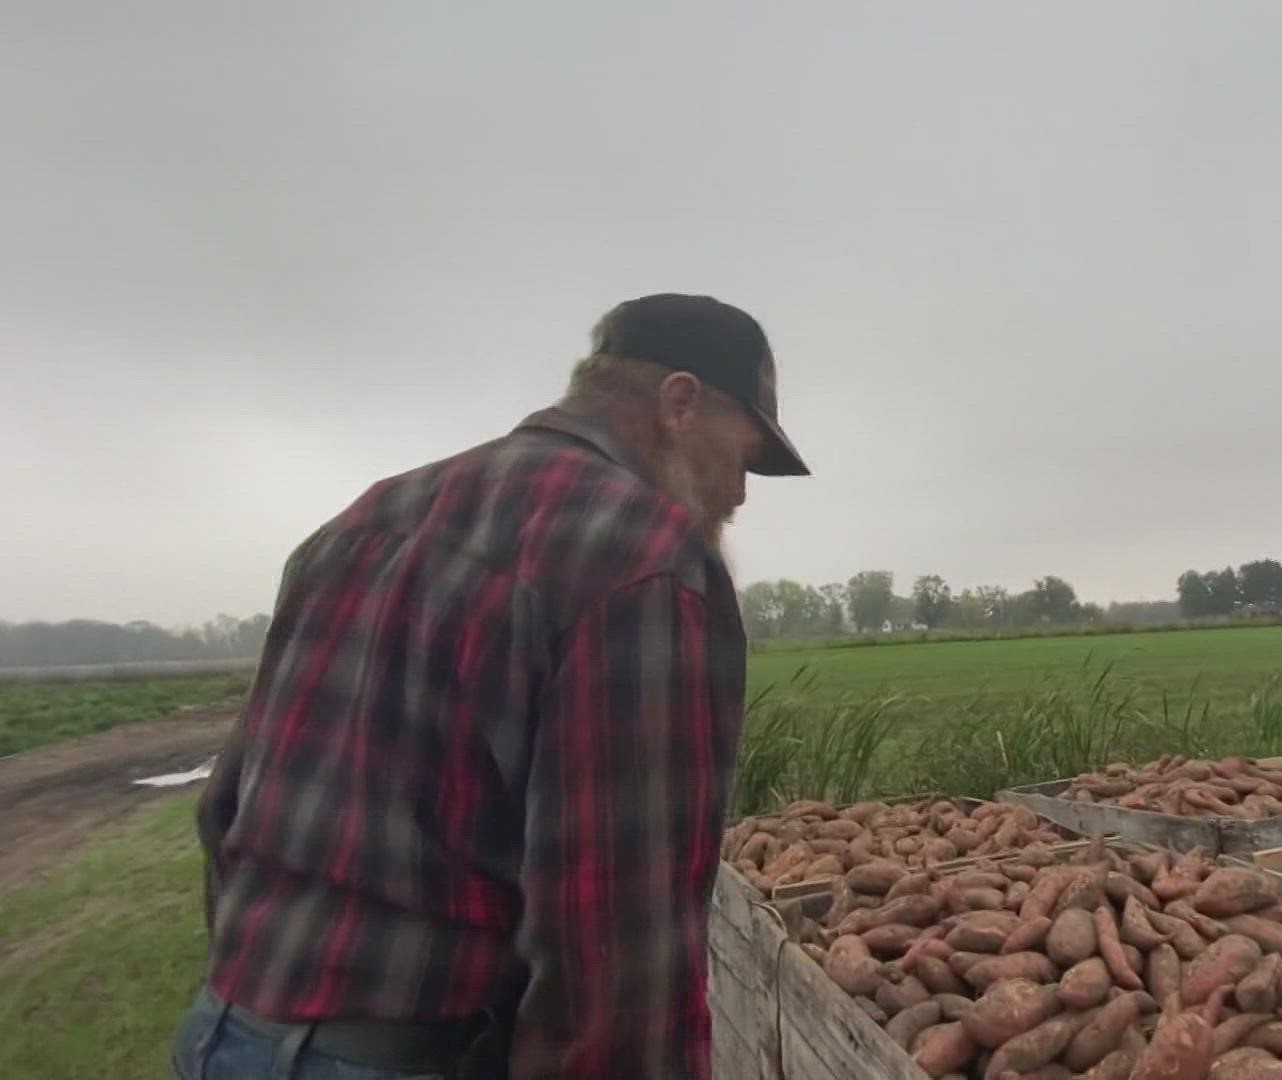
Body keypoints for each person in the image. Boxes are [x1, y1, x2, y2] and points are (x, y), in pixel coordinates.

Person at [172, 294, 809, 1079]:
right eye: (744, 458)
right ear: (679, 403)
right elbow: (615, 944)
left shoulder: (367, 518)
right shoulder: (639, 555)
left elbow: (226, 808)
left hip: (223, 1035)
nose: (740, 495)